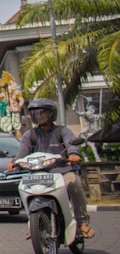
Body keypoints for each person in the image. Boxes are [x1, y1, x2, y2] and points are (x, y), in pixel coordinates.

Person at [9, 98, 94, 239]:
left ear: (51, 114)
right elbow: (22, 153)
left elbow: (71, 144)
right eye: (36, 113)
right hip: (39, 174)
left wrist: (73, 154)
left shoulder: (62, 131)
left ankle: (82, 222)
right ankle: (34, 224)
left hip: (63, 172)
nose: (39, 116)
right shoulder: (30, 135)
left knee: (74, 183)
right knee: (23, 187)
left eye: (42, 112)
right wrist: (14, 162)